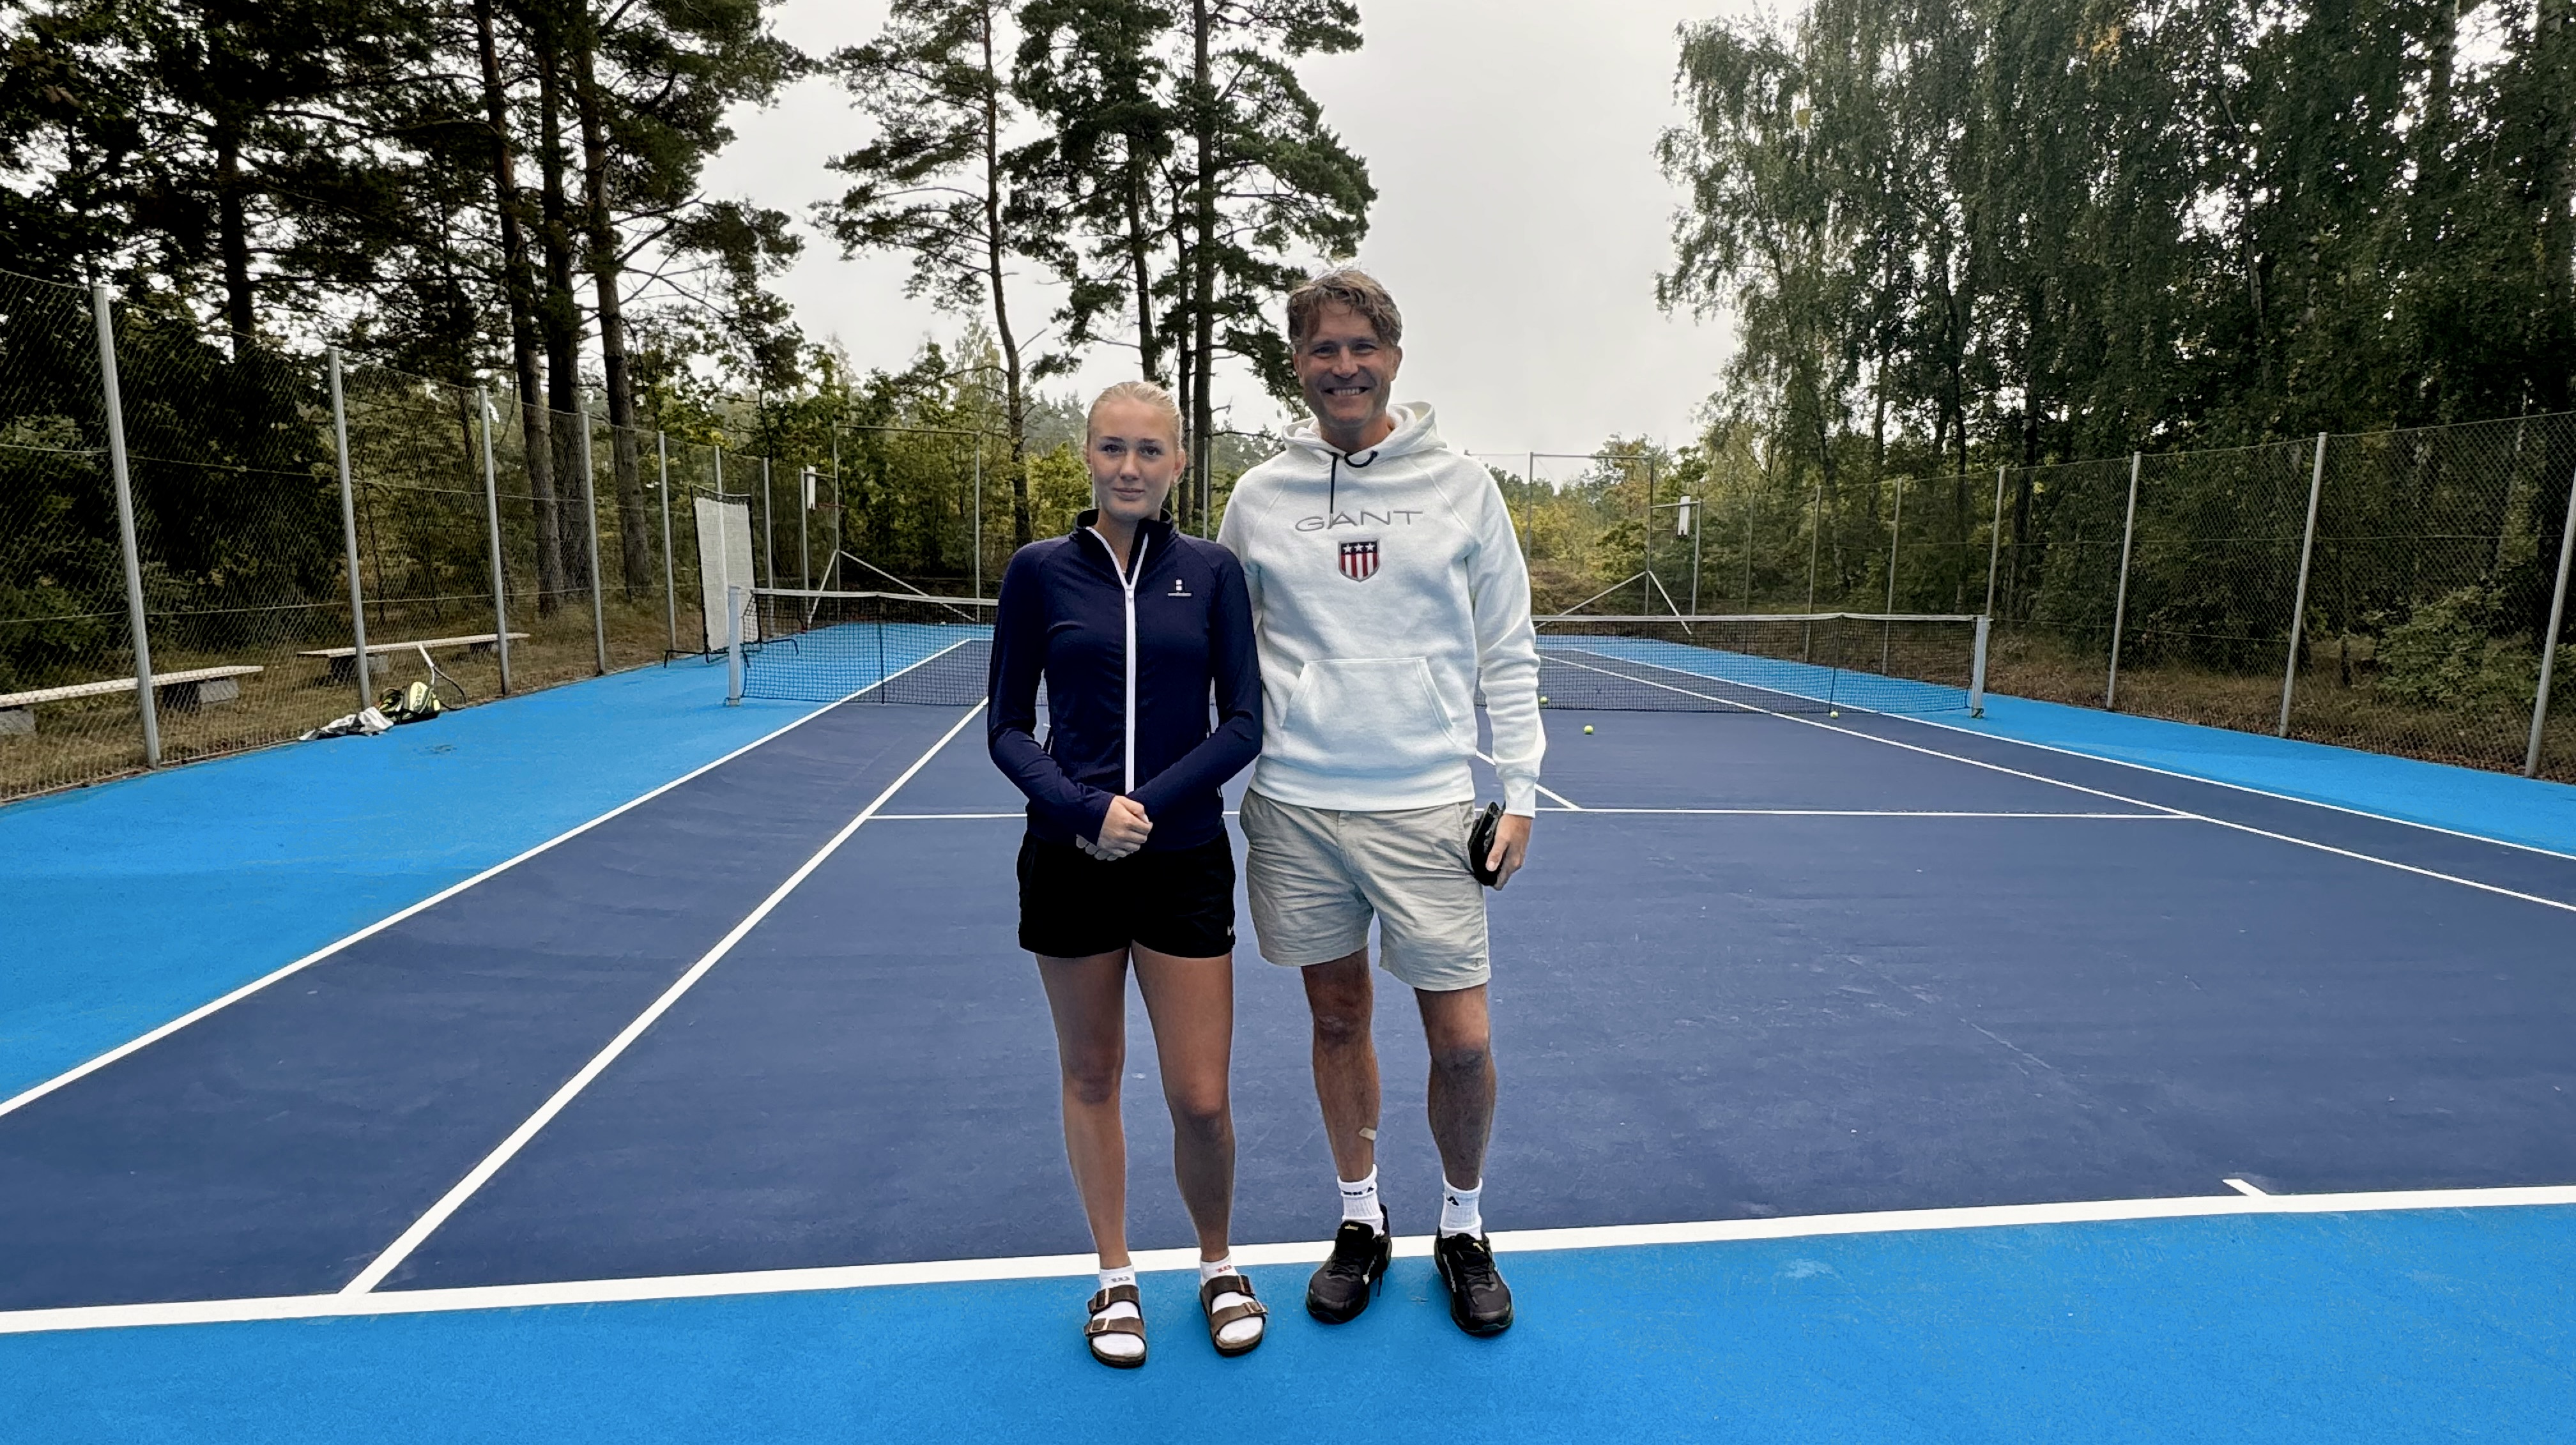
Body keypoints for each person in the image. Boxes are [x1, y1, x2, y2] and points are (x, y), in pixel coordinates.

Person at [1216, 268, 1542, 1337]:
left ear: (1394, 357)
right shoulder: (1258, 497)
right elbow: (1220, 652)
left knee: (1460, 1038)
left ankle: (1463, 1221)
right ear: (1297, 364)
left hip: (1430, 809)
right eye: (1322, 348)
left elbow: (1509, 648)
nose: (1343, 366)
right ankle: (1361, 1216)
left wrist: (1521, 791)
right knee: (1337, 1016)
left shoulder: (1463, 486)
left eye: (1362, 346)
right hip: (1298, 808)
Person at [987, 380, 1268, 1368]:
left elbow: (1243, 721)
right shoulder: (1038, 573)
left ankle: (1217, 1259)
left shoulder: (1214, 573)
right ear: (1089, 457)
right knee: (1093, 1072)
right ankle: (1114, 1273)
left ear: (1181, 462)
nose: (1131, 467)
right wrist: (1081, 810)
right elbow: (1008, 727)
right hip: (1068, 861)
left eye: (1151, 450)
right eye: (1113, 448)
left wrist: (1143, 808)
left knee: (1201, 1097)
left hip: (1183, 856)